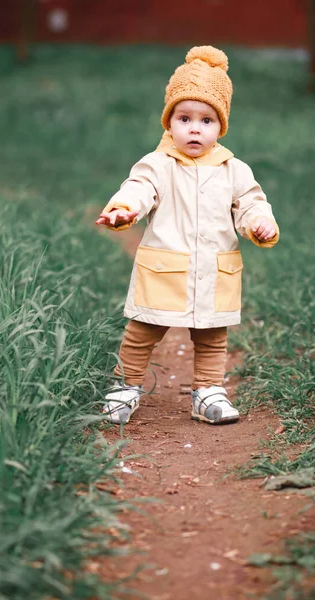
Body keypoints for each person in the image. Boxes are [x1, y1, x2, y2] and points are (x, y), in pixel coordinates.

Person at [96, 46, 279, 425]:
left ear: (221, 125)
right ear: (169, 122)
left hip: (215, 269)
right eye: (184, 118)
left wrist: (260, 222)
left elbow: (250, 203)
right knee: (143, 330)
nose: (195, 128)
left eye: (207, 120)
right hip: (166, 266)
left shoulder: (234, 170)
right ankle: (124, 387)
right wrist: (124, 209)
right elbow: (139, 188)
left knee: (212, 335)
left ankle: (208, 391)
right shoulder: (158, 164)